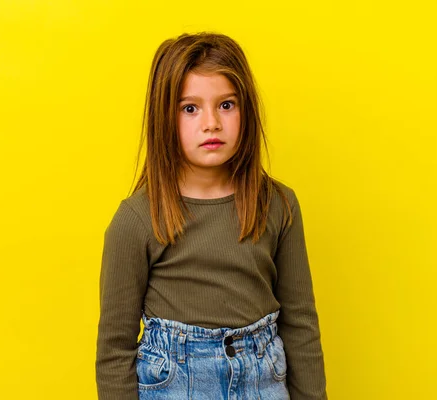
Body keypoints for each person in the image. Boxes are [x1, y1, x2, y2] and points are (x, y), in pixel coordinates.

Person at [95, 31, 327, 400]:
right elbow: (114, 348)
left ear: (245, 109)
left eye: (226, 105)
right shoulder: (136, 220)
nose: (211, 123)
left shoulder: (279, 205)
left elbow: (300, 322)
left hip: (263, 381)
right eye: (190, 108)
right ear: (163, 116)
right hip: (176, 385)